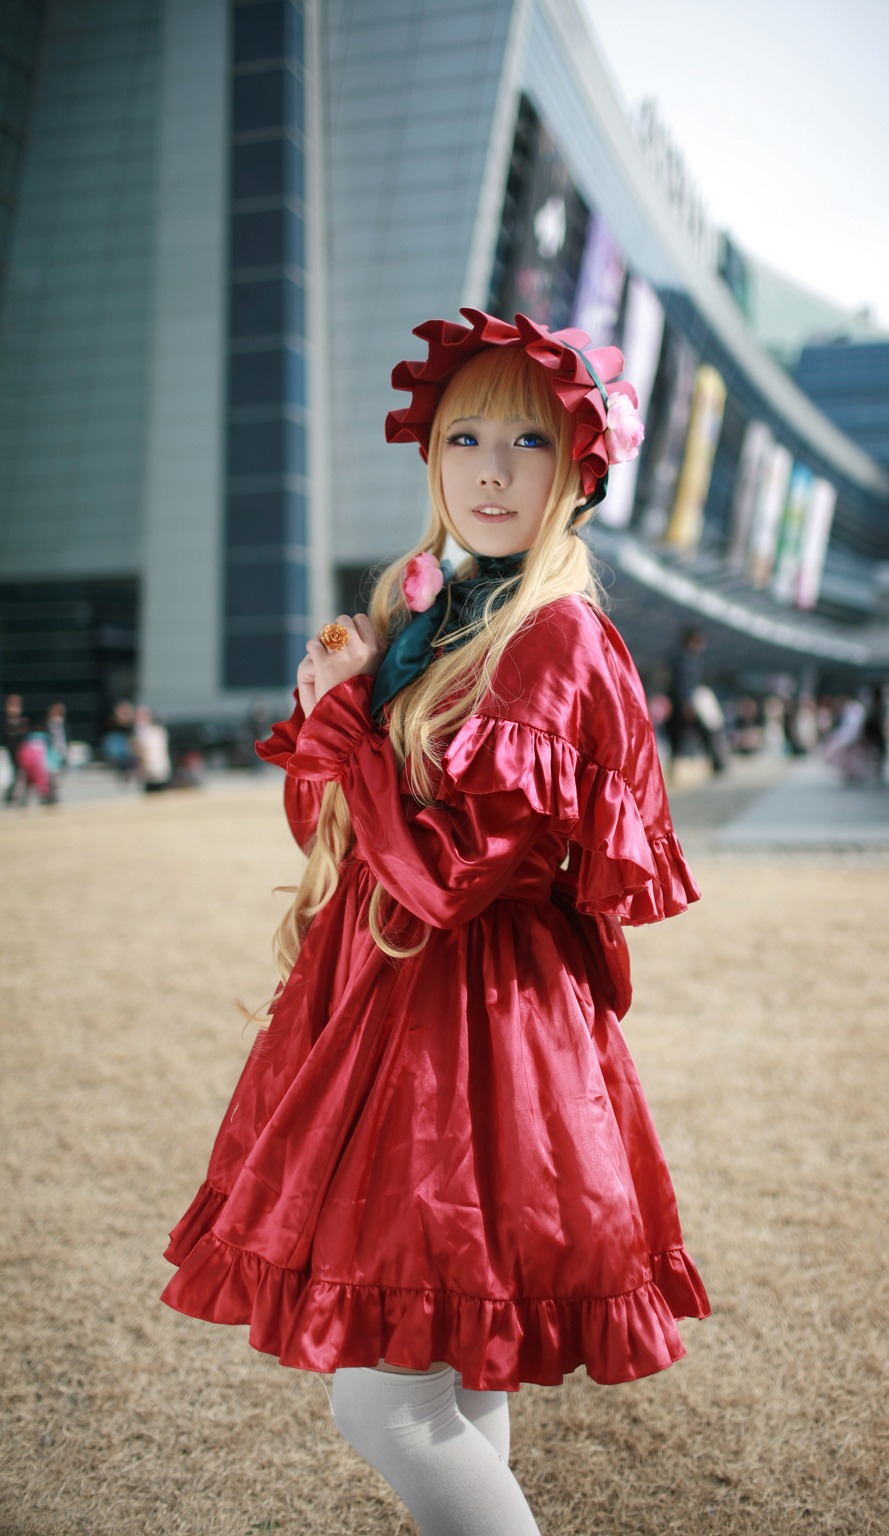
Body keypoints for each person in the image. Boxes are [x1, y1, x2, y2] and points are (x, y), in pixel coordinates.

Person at [161, 308, 709, 1535]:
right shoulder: (444, 611)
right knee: (458, 1365)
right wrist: (335, 711)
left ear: (577, 467)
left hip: (472, 1034)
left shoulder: (552, 636)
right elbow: (342, 844)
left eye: (526, 439)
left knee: (389, 1405)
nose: (491, 469)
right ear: (430, 460)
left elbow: (448, 875)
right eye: (464, 437)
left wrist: (355, 725)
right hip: (411, 1015)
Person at [665, 626, 727, 778]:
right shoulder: (684, 660)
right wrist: (686, 703)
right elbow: (682, 683)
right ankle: (715, 764)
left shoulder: (692, 659)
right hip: (686, 705)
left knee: (682, 737)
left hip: (688, 703)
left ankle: (716, 763)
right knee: (688, 735)